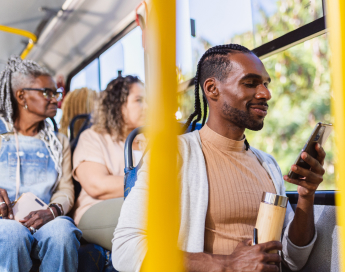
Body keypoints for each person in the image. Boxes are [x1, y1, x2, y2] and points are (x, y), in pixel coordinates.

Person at [113, 44, 327, 271]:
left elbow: (293, 260)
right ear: (212, 88)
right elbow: (126, 249)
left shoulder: (268, 165)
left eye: (265, 84)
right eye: (250, 83)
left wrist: (306, 196)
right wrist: (227, 264)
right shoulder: (175, 155)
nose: (266, 93)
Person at [0, 57, 81, 271]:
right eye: (47, 92)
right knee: (10, 234)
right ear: (21, 96)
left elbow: (65, 189)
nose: (55, 99)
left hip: (43, 219)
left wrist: (53, 211)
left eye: (56, 93)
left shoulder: (58, 142)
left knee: (63, 232)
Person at [72, 75, 146, 225]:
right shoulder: (92, 137)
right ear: (117, 106)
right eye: (139, 101)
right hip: (96, 209)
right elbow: (98, 186)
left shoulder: (151, 139)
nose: (148, 107)